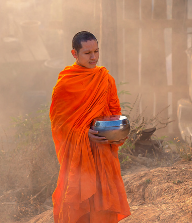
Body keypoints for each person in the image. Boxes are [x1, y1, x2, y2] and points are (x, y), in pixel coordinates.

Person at [50, 31, 131, 223]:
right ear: (74, 54)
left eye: (96, 51)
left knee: (103, 207)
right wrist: (84, 134)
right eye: (87, 53)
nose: (93, 57)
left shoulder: (105, 79)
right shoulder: (65, 84)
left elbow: (114, 112)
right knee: (79, 207)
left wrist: (118, 132)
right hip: (79, 155)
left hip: (103, 151)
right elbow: (59, 123)